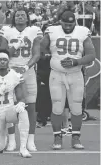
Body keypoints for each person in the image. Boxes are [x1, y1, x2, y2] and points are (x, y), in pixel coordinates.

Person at [40, 10, 96, 150]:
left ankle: (75, 137)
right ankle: (57, 137)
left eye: (71, 24)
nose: (68, 27)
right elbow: (40, 48)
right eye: (66, 24)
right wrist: (47, 55)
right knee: (57, 106)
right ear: (60, 22)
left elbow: (91, 55)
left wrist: (76, 62)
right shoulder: (52, 31)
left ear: (75, 22)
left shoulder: (83, 32)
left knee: (76, 107)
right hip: (57, 74)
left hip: (75, 74)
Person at [0, 9, 42, 151]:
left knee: (31, 106)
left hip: (28, 72)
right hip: (10, 71)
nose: (20, 17)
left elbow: (36, 54)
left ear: (28, 18)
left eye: (23, 15)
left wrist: (25, 67)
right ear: (13, 18)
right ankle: (12, 140)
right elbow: (2, 54)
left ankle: (31, 139)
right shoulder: (7, 30)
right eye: (17, 15)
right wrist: (16, 45)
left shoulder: (34, 30)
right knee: (9, 106)